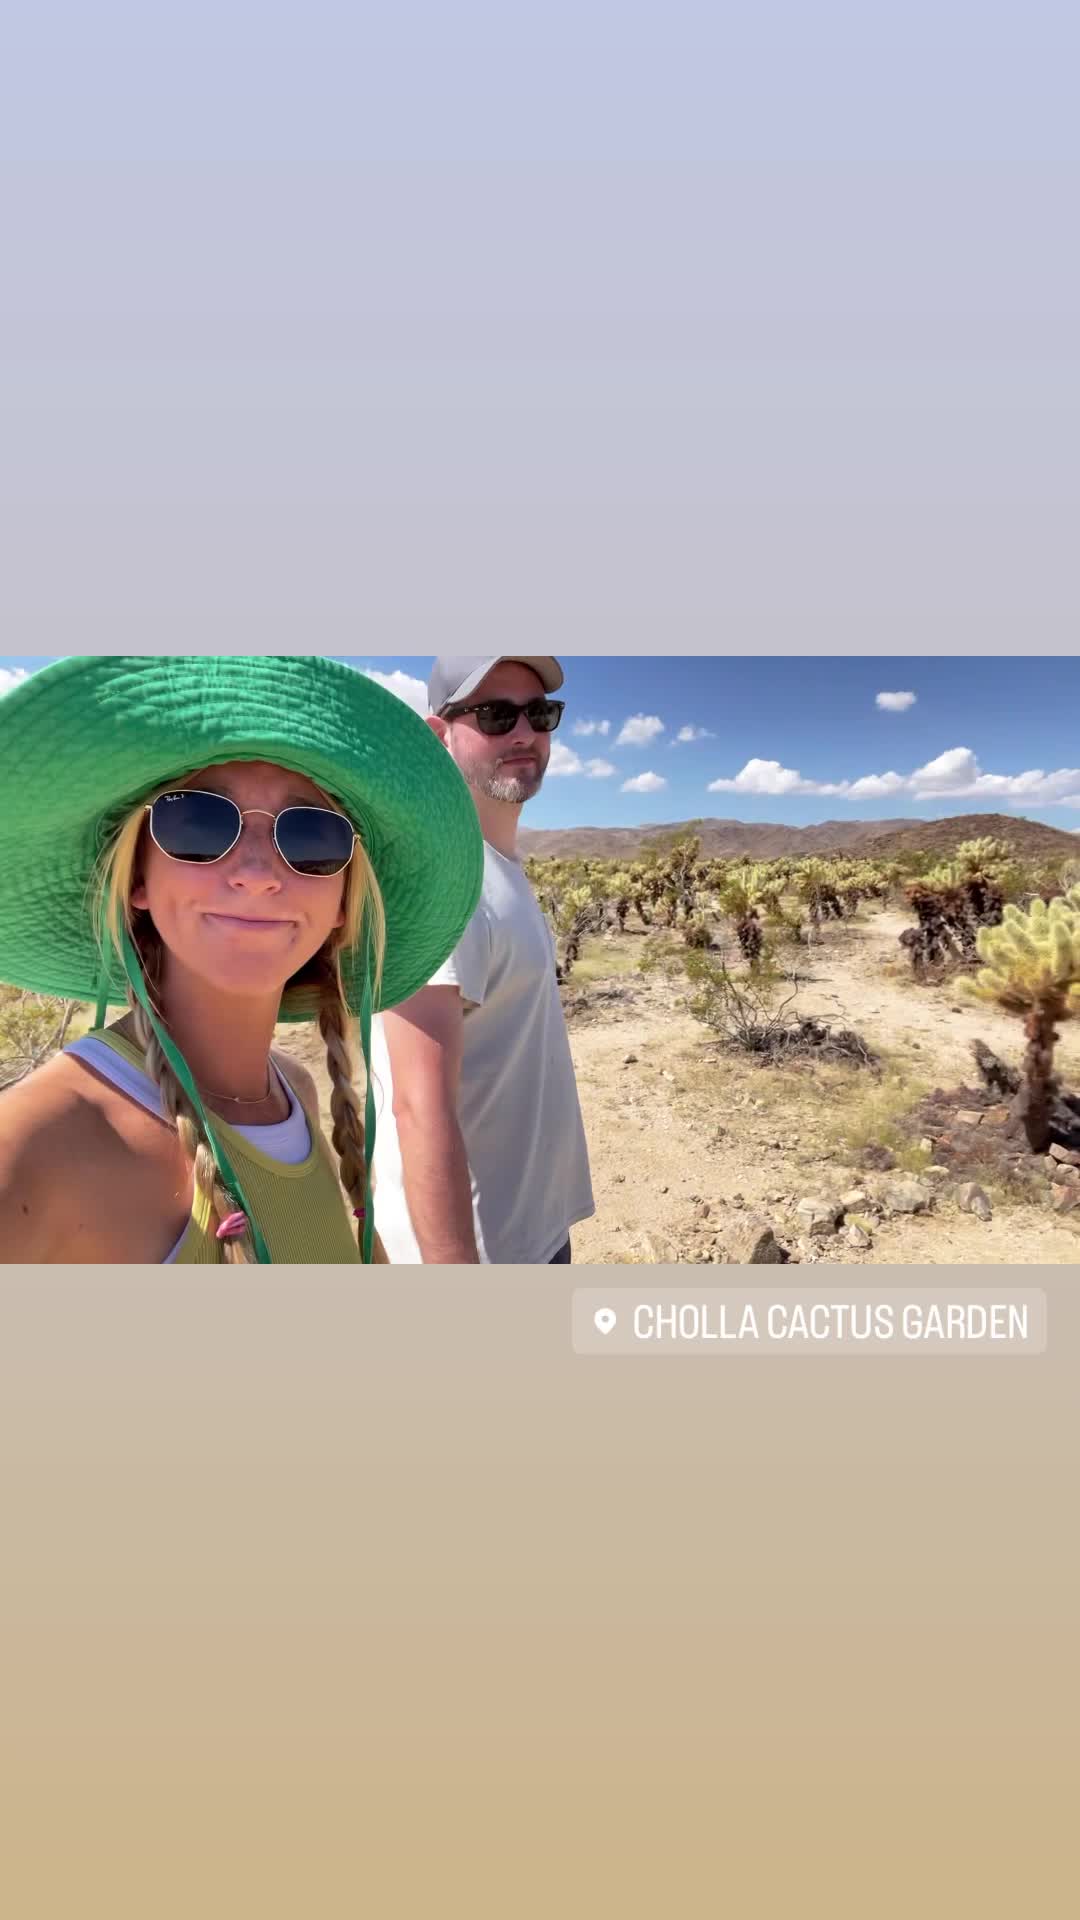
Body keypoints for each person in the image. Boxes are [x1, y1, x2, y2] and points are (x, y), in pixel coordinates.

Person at [0, 654, 483, 1264]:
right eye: (198, 822)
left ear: (342, 901)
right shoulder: (37, 1145)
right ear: (137, 880)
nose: (257, 875)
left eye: (310, 835)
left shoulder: (299, 1096)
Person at [368, 655, 595, 1264]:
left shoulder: (497, 866)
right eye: (495, 715)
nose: (524, 733)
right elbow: (418, 1107)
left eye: (540, 714)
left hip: (528, 1232)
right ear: (440, 735)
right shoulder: (443, 879)